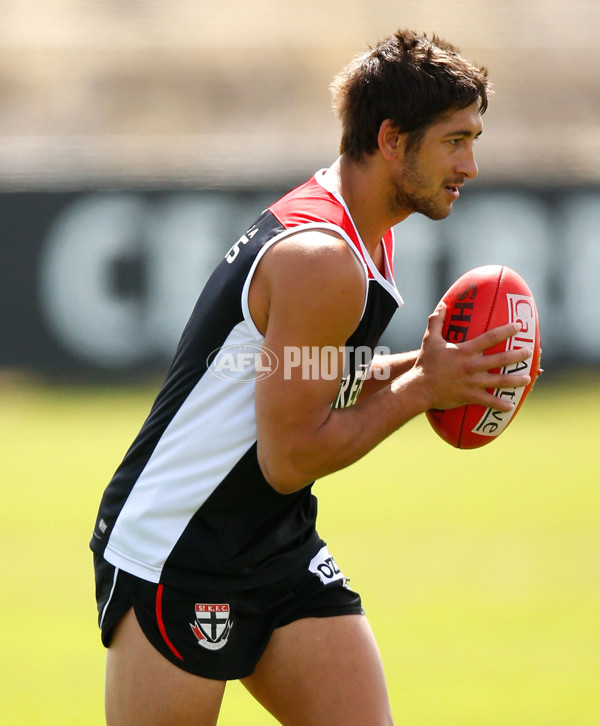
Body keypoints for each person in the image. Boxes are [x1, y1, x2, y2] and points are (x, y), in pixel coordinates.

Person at [91, 29, 532, 726]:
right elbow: (289, 456)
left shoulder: (359, 230)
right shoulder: (322, 259)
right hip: (178, 549)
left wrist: (431, 367)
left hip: (274, 542)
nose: (470, 164)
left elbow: (311, 375)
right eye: (455, 140)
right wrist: (423, 391)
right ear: (392, 139)